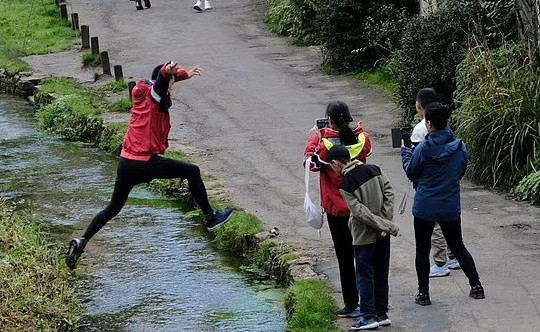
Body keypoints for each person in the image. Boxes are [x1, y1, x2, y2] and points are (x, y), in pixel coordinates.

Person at [66, 61, 234, 269]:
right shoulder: (154, 97)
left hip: (126, 162)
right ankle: (210, 217)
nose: (171, 89)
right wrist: (167, 72)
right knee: (192, 171)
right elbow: (161, 83)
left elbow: (160, 82)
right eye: (171, 84)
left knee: (113, 207)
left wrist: (183, 75)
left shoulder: (143, 92)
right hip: (145, 163)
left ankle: (83, 241)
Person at [401, 102, 485, 306]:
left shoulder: (423, 148)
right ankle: (476, 286)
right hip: (449, 203)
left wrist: (405, 153)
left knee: (422, 250)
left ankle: (424, 294)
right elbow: (460, 171)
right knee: (458, 246)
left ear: (429, 124)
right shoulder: (459, 147)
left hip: (425, 205)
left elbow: (412, 172)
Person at [304, 101, 372, 318]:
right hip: (360, 207)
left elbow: (310, 163)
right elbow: (365, 150)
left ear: (330, 120)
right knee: (364, 256)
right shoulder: (362, 140)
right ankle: (371, 303)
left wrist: (315, 137)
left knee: (345, 258)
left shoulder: (326, 146)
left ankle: (352, 304)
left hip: (337, 209)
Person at [327, 145, 398, 330]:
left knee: (365, 275)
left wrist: (381, 224)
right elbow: (389, 193)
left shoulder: (346, 184)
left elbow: (359, 213)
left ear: (336, 164)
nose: (333, 170)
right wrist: (385, 222)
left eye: (331, 166)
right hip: (383, 233)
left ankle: (368, 316)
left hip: (364, 236)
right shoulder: (374, 168)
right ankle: (381, 313)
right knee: (381, 272)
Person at [412, 88, 460, 277]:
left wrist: (406, 155)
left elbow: (416, 164)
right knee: (448, 221)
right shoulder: (445, 126)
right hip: (448, 181)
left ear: (419, 106)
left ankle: (440, 263)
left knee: (435, 226)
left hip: (429, 185)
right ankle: (453, 256)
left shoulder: (420, 129)